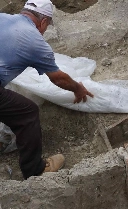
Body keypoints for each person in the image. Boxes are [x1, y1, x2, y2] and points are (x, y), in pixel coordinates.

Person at [0, 0, 94, 180]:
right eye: (47, 26)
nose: (44, 31)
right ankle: (35, 169)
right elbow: (58, 77)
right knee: (27, 113)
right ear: (43, 22)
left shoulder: (2, 18)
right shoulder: (34, 40)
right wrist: (77, 88)